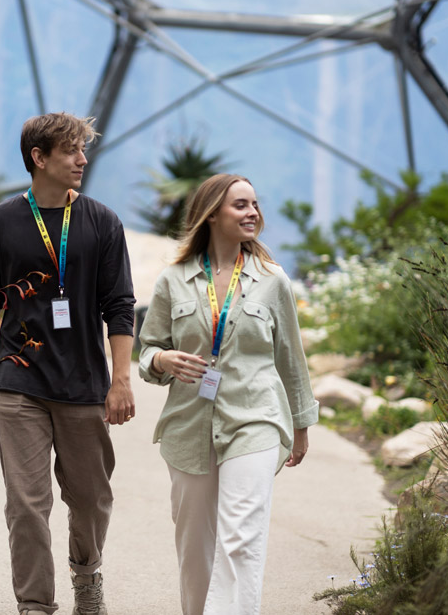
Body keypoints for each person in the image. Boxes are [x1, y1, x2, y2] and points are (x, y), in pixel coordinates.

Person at [0, 113, 137, 615]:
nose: (82, 160)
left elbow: (120, 306)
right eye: (71, 151)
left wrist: (120, 380)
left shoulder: (102, 221)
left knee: (90, 500)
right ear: (39, 158)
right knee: (26, 504)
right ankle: (35, 605)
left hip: (85, 383)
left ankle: (86, 576)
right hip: (19, 382)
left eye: (83, 150)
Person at [138, 174, 318, 615]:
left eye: (255, 204)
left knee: (240, 537)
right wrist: (164, 361)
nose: (253, 212)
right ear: (212, 212)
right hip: (188, 423)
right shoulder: (172, 280)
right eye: (241, 205)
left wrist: (301, 424)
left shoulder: (273, 281)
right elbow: (149, 349)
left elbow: (290, 358)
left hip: (255, 417)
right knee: (194, 543)